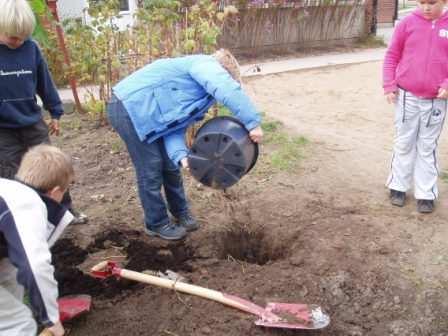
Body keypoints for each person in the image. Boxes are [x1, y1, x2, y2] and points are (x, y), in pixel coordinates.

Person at [107, 49, 263, 240]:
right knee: (151, 166)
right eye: (225, 79)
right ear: (222, 71)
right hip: (127, 108)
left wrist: (181, 157)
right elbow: (226, 88)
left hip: (152, 115)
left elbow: (174, 126)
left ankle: (180, 212)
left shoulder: (199, 94)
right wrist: (252, 122)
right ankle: (156, 223)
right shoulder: (204, 65)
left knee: (171, 165)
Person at [0, 0, 87, 224]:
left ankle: (64, 212)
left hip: (32, 123)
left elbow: (45, 83)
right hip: (3, 131)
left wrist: (56, 112)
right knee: (13, 175)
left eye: (23, 36)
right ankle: (24, 220)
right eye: (12, 37)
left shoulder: (31, 49)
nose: (18, 42)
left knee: (51, 168)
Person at [0, 144, 75, 336]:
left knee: (9, 271)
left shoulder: (8, 189)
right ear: (56, 191)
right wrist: (51, 319)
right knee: (18, 325)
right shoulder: (27, 204)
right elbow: (36, 266)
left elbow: (15, 265)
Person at [383, 0, 448, 213]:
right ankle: (398, 187)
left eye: (432, 2)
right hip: (406, 96)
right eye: (422, 2)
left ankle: (426, 193)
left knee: (427, 146)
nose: (426, 7)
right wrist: (389, 85)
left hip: (436, 100)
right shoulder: (407, 23)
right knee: (404, 141)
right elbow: (392, 55)